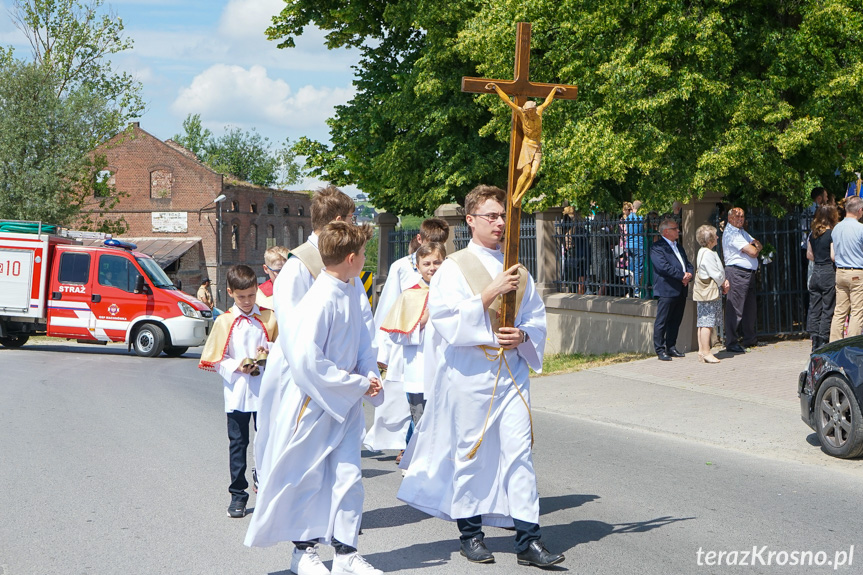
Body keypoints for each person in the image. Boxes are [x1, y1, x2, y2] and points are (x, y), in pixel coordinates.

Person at [398, 185, 564, 568]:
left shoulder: (519, 270)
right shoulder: (454, 268)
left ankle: (529, 539)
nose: (500, 222)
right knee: (469, 453)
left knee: (520, 453)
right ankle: (470, 533)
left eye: (503, 215)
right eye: (491, 216)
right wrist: (488, 294)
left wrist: (522, 335)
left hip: (511, 374)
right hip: (470, 376)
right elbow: (445, 321)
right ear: (470, 220)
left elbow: (536, 319)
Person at [245, 222, 384, 575]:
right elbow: (307, 361)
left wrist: (369, 376)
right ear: (351, 258)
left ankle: (346, 553)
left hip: (347, 401)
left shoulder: (351, 289)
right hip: (316, 403)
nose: (366, 260)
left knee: (349, 477)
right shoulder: (319, 299)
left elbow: (364, 341)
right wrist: (354, 383)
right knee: (309, 477)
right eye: (365, 254)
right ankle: (302, 551)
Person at [254, 186, 370, 493]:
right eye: (352, 218)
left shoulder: (348, 261)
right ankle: (303, 529)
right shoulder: (298, 267)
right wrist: (327, 380)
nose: (356, 224)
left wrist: (366, 366)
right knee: (302, 463)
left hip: (342, 378)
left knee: (344, 464)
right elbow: (295, 336)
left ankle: (338, 523)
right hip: (305, 381)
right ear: (337, 219)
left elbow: (362, 320)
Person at [198, 264, 278, 519]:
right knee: (238, 444)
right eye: (241, 296)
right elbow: (216, 358)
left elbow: (282, 349)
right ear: (230, 292)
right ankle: (238, 494)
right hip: (238, 393)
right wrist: (238, 367)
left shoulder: (269, 317)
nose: (247, 301)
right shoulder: (224, 321)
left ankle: (266, 488)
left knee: (268, 441)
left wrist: (268, 353)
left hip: (266, 390)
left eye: (252, 295)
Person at [366, 218, 449, 458]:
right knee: (413, 403)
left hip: (441, 355)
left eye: (439, 251)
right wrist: (381, 351)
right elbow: (390, 309)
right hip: (411, 349)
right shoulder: (401, 268)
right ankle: (410, 448)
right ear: (420, 241)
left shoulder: (449, 274)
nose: (432, 265)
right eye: (427, 260)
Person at [378, 242, 446, 434]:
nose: (432, 267)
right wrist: (420, 323)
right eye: (427, 264)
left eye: (437, 262)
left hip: (446, 367)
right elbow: (395, 334)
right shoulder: (409, 295)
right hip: (419, 368)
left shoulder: (452, 293)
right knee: (421, 424)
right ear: (417, 266)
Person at [486, 83, 565, 203]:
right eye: (529, 112)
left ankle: (520, 196)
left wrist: (554, 90)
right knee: (527, 172)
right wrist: (496, 88)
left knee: (533, 174)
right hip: (527, 146)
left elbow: (547, 102)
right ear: (526, 111)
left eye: (532, 111)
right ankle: (515, 195)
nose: (531, 113)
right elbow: (508, 101)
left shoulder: (539, 111)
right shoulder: (522, 114)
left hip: (537, 146)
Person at [650, 217, 693, 361]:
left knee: (676, 320)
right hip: (667, 289)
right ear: (667, 231)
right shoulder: (657, 247)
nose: (678, 231)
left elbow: (687, 263)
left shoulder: (678, 246)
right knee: (663, 320)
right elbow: (663, 267)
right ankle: (660, 349)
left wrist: (689, 274)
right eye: (675, 229)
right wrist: (682, 276)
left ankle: (671, 346)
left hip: (681, 288)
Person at [722, 207, 762, 353]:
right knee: (736, 308)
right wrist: (755, 248)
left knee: (750, 308)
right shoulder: (732, 233)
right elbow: (753, 250)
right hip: (737, 273)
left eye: (742, 216)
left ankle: (749, 339)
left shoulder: (741, 232)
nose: (740, 219)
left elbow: (757, 243)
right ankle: (731, 341)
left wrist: (755, 247)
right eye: (737, 216)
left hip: (748, 273)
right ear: (730, 218)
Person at [829, 196, 863, 342]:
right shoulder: (860, 228)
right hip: (856, 271)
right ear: (860, 210)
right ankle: (851, 344)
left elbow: (834, 253)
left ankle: (835, 343)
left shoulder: (836, 228)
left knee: (839, 311)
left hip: (840, 272)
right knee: (857, 311)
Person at [693, 225, 729, 363]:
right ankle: (706, 352)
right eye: (715, 236)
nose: (718, 237)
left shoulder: (703, 251)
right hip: (708, 292)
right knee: (707, 322)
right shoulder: (708, 254)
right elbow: (716, 274)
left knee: (702, 322)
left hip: (703, 292)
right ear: (710, 240)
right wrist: (724, 283)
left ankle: (702, 351)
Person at [807, 205, 838, 350]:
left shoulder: (813, 234)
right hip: (827, 272)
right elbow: (833, 256)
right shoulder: (831, 233)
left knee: (814, 307)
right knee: (828, 307)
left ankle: (814, 339)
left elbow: (809, 255)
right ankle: (823, 339)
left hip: (816, 272)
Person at [256, 245, 290, 310]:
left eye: (287, 270)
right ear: (266, 269)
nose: (284, 275)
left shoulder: (299, 288)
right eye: (278, 271)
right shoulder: (258, 295)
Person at [626, 200, 645, 295]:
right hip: (638, 245)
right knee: (638, 268)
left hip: (629, 245)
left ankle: (629, 288)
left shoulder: (628, 218)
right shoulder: (640, 217)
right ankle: (637, 290)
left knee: (631, 267)